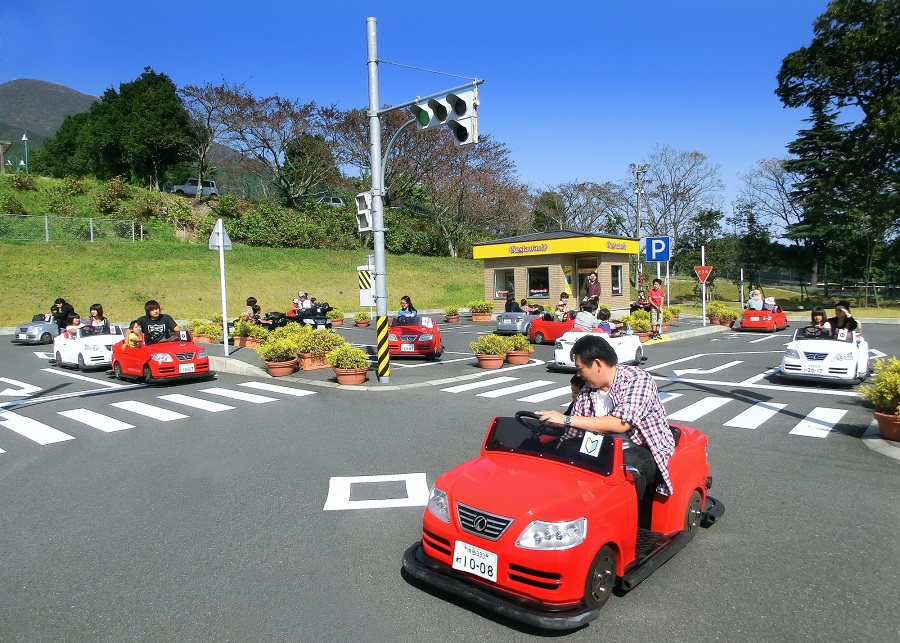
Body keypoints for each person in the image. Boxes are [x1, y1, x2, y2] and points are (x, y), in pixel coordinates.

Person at [537, 335, 675, 499]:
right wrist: (558, 446)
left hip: (642, 447)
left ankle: (623, 517)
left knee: (628, 463)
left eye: (580, 368)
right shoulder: (588, 390)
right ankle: (576, 504)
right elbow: (574, 431)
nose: (579, 375)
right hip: (603, 446)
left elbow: (621, 424)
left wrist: (565, 419)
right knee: (568, 448)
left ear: (597, 364)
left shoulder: (637, 380)